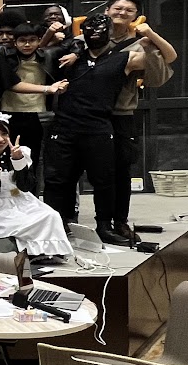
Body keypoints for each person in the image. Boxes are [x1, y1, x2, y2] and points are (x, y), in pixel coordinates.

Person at [43, 13, 157, 246]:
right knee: (57, 181)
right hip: (64, 126)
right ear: (82, 32)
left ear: (109, 32)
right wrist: (72, 47)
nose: (95, 33)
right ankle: (56, 225)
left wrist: (149, 37)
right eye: (89, 29)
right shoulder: (68, 56)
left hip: (99, 126)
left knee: (105, 180)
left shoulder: (124, 58)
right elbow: (38, 52)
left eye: (100, 29)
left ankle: (105, 226)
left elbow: (164, 59)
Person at [102, 0, 176, 240]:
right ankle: (80, 221)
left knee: (121, 171)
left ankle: (120, 221)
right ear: (107, 11)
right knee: (85, 169)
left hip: (121, 114)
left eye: (129, 10)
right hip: (87, 115)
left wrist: (150, 36)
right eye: (117, 8)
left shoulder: (139, 43)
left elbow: (169, 58)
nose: (122, 12)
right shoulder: (89, 37)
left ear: (135, 15)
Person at [0, 113, 71, 261]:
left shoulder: (20, 153)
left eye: (4, 134)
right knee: (2, 242)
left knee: (51, 215)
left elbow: (26, 187)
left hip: (22, 200)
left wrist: (19, 162)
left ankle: (42, 252)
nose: (1, 139)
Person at [0, 22, 68, 189]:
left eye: (32, 40)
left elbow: (76, 43)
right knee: (9, 159)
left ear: (39, 41)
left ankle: (33, 198)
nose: (27, 45)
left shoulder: (49, 55)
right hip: (9, 113)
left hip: (38, 114)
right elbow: (11, 84)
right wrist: (48, 89)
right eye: (22, 41)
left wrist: (74, 54)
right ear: (15, 42)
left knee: (36, 161)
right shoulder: (3, 55)